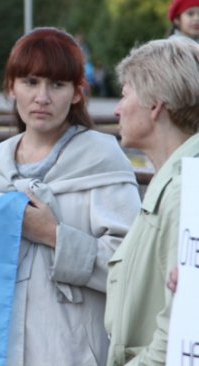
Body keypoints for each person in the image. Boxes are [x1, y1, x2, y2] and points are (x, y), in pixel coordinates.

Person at [0, 27, 141, 366]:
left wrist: (53, 236)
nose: (42, 97)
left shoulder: (101, 161)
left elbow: (133, 268)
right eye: (30, 82)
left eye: (56, 85)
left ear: (77, 93)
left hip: (72, 353)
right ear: (11, 88)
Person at [104, 37, 199, 366]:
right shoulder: (178, 182)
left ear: (155, 104)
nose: (117, 108)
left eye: (125, 93)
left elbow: (179, 331)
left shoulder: (184, 191)